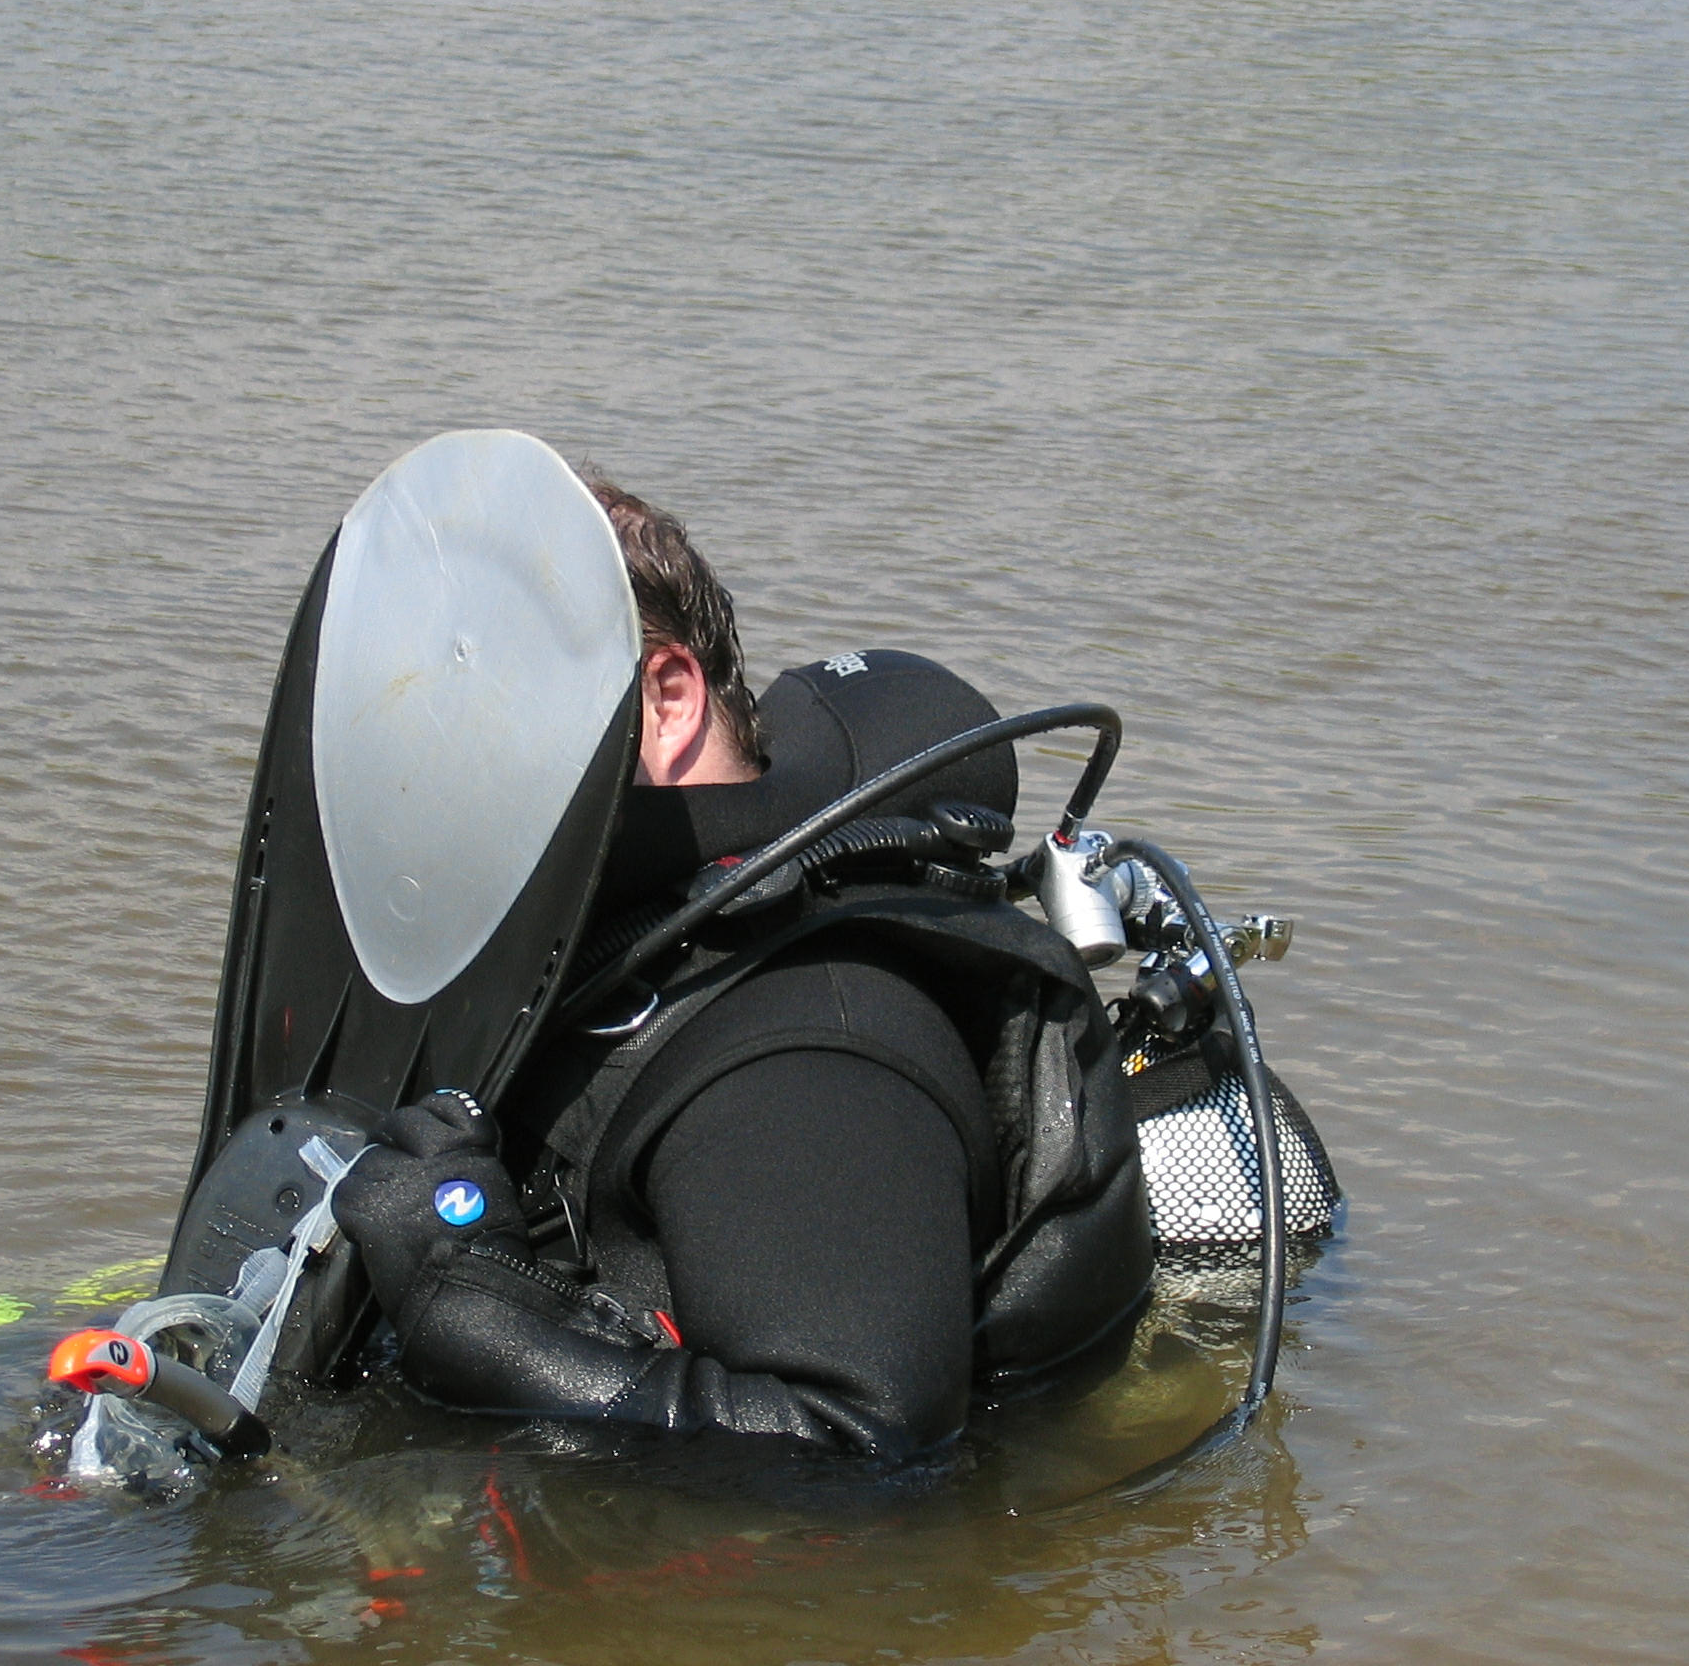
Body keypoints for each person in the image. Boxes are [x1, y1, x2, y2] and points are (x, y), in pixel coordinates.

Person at [330, 479, 1153, 1458]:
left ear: (666, 701)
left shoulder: (806, 1049)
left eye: (475, 695)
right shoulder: (625, 945)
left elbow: (863, 1447)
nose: (426, 756)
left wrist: (475, 1317)